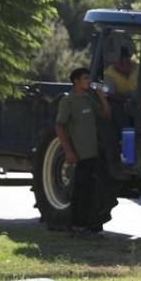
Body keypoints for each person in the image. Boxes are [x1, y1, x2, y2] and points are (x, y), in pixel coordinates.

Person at [55, 67, 110, 233]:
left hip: (92, 153)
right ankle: (75, 224)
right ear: (76, 81)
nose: (89, 81)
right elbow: (59, 126)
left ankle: (86, 224)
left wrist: (102, 98)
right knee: (79, 191)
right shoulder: (68, 101)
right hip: (79, 154)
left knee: (89, 190)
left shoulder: (88, 99)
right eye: (85, 78)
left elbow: (106, 115)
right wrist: (69, 151)